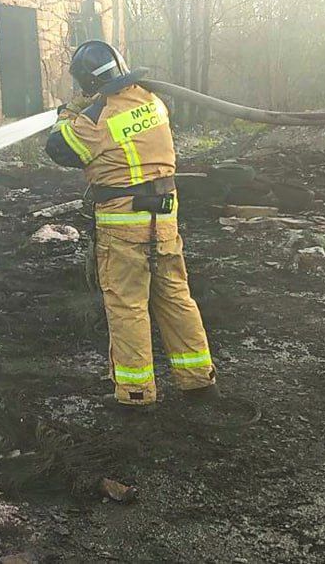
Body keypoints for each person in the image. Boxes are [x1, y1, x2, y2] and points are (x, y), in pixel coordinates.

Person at [44, 40, 218, 410]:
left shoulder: (96, 118)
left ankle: (136, 396)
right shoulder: (153, 103)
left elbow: (60, 148)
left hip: (123, 226)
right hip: (165, 218)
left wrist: (68, 113)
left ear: (87, 83)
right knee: (174, 296)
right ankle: (199, 381)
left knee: (127, 306)